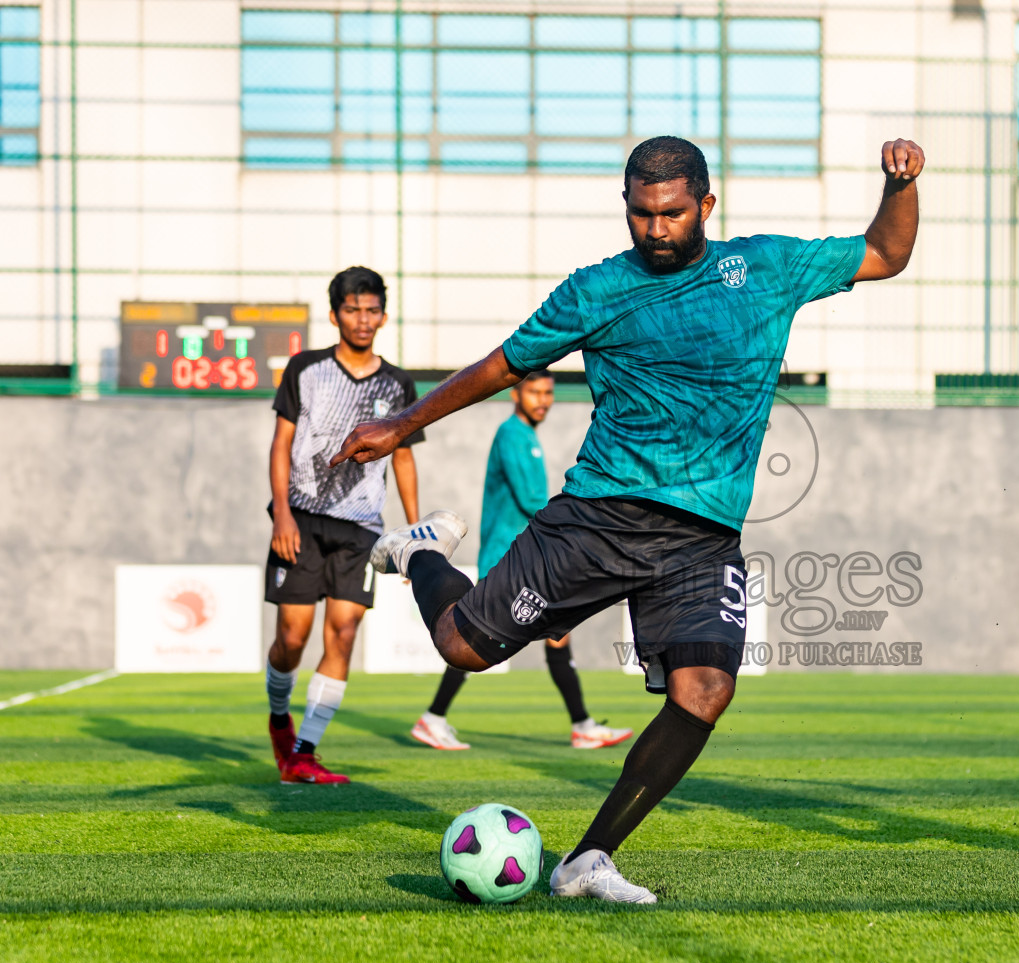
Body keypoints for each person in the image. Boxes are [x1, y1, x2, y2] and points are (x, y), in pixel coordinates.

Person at [331, 134, 924, 902]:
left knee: (705, 690)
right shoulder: (596, 289)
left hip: (703, 538)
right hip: (599, 517)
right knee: (462, 649)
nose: (656, 229)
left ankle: (587, 860)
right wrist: (405, 424)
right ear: (626, 208)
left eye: (672, 214)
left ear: (706, 206)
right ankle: (418, 553)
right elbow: (503, 364)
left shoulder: (768, 269)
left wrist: (900, 184)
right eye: (641, 214)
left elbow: (886, 251)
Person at [410, 370, 633, 752]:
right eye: (535, 392)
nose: (543, 399)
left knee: (555, 638)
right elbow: (533, 502)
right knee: (473, 635)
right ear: (516, 393)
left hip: (525, 556)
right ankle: (433, 718)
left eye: (548, 392)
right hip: (508, 557)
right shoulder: (513, 434)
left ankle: (581, 724)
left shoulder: (525, 436)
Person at [264, 266, 423, 785]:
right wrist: (281, 514)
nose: (363, 319)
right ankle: (280, 718)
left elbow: (402, 459)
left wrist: (415, 533)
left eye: (372, 309)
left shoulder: (399, 384)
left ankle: (305, 753)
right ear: (334, 315)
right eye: (352, 309)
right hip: (301, 520)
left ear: (383, 314)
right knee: (292, 637)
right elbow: (282, 443)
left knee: (345, 630)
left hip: (362, 528)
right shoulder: (305, 369)